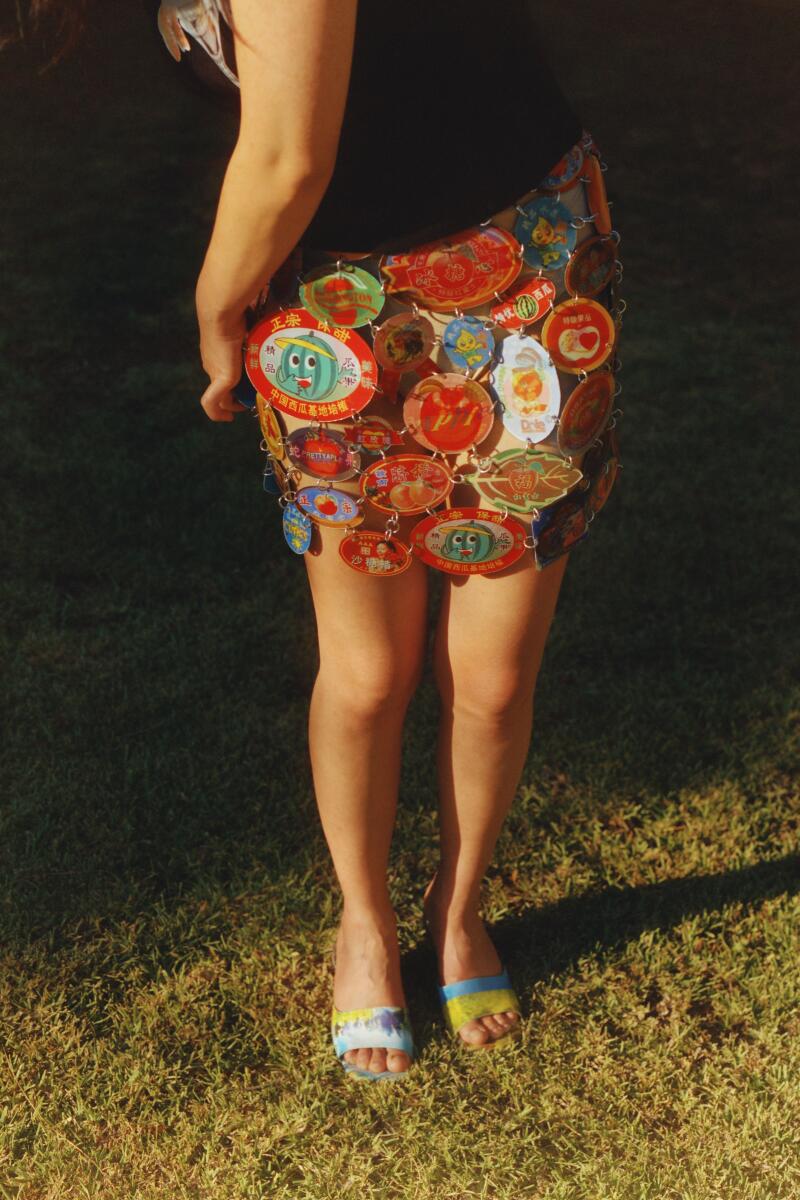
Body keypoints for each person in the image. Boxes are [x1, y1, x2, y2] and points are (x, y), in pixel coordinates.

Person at [19, 0, 624, 1083]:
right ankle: (361, 921)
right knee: (369, 671)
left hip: (520, 260)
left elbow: (289, 155)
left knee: (488, 675)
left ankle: (455, 909)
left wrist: (213, 314)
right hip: (333, 296)